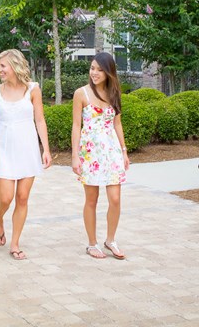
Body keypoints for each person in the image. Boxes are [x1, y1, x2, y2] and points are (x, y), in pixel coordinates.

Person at [0, 49, 51, 261]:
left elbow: (40, 120)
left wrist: (46, 149)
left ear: (15, 66)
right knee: (6, 198)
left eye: (3, 65)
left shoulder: (33, 89)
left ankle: (14, 244)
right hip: (5, 149)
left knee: (22, 198)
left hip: (28, 149)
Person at [71, 52, 129, 259]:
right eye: (92, 68)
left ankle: (110, 240)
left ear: (108, 72)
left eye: (99, 69)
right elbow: (76, 126)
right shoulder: (82, 94)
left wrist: (124, 151)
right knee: (92, 199)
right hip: (90, 153)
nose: (94, 73)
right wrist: (75, 156)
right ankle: (91, 243)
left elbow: (117, 123)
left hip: (112, 152)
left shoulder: (114, 93)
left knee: (115, 199)